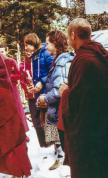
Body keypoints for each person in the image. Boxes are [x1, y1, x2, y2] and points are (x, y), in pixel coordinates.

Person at [62, 18, 108, 178]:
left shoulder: (84, 61)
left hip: (89, 136)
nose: (68, 40)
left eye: (68, 36)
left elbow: (80, 103)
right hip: (102, 128)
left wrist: (65, 92)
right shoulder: (100, 52)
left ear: (73, 35)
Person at [36, 30, 74, 170]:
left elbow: (60, 89)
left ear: (56, 44)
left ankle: (61, 159)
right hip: (55, 110)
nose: (46, 46)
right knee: (53, 133)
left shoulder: (61, 62)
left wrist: (45, 97)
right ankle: (59, 156)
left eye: (48, 43)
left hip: (59, 110)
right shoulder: (57, 60)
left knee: (59, 136)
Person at [20, 33, 53, 147]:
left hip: (46, 92)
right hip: (35, 93)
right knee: (37, 122)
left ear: (33, 43)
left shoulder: (46, 54)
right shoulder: (33, 56)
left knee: (49, 120)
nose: (25, 48)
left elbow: (53, 70)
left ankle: (54, 148)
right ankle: (44, 146)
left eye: (27, 45)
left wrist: (42, 82)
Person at [0, 48, 29, 132]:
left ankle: (22, 131)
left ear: (6, 51)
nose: (1, 53)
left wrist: (9, 77)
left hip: (13, 88)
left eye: (2, 51)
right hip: (3, 88)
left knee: (17, 108)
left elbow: (18, 75)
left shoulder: (11, 61)